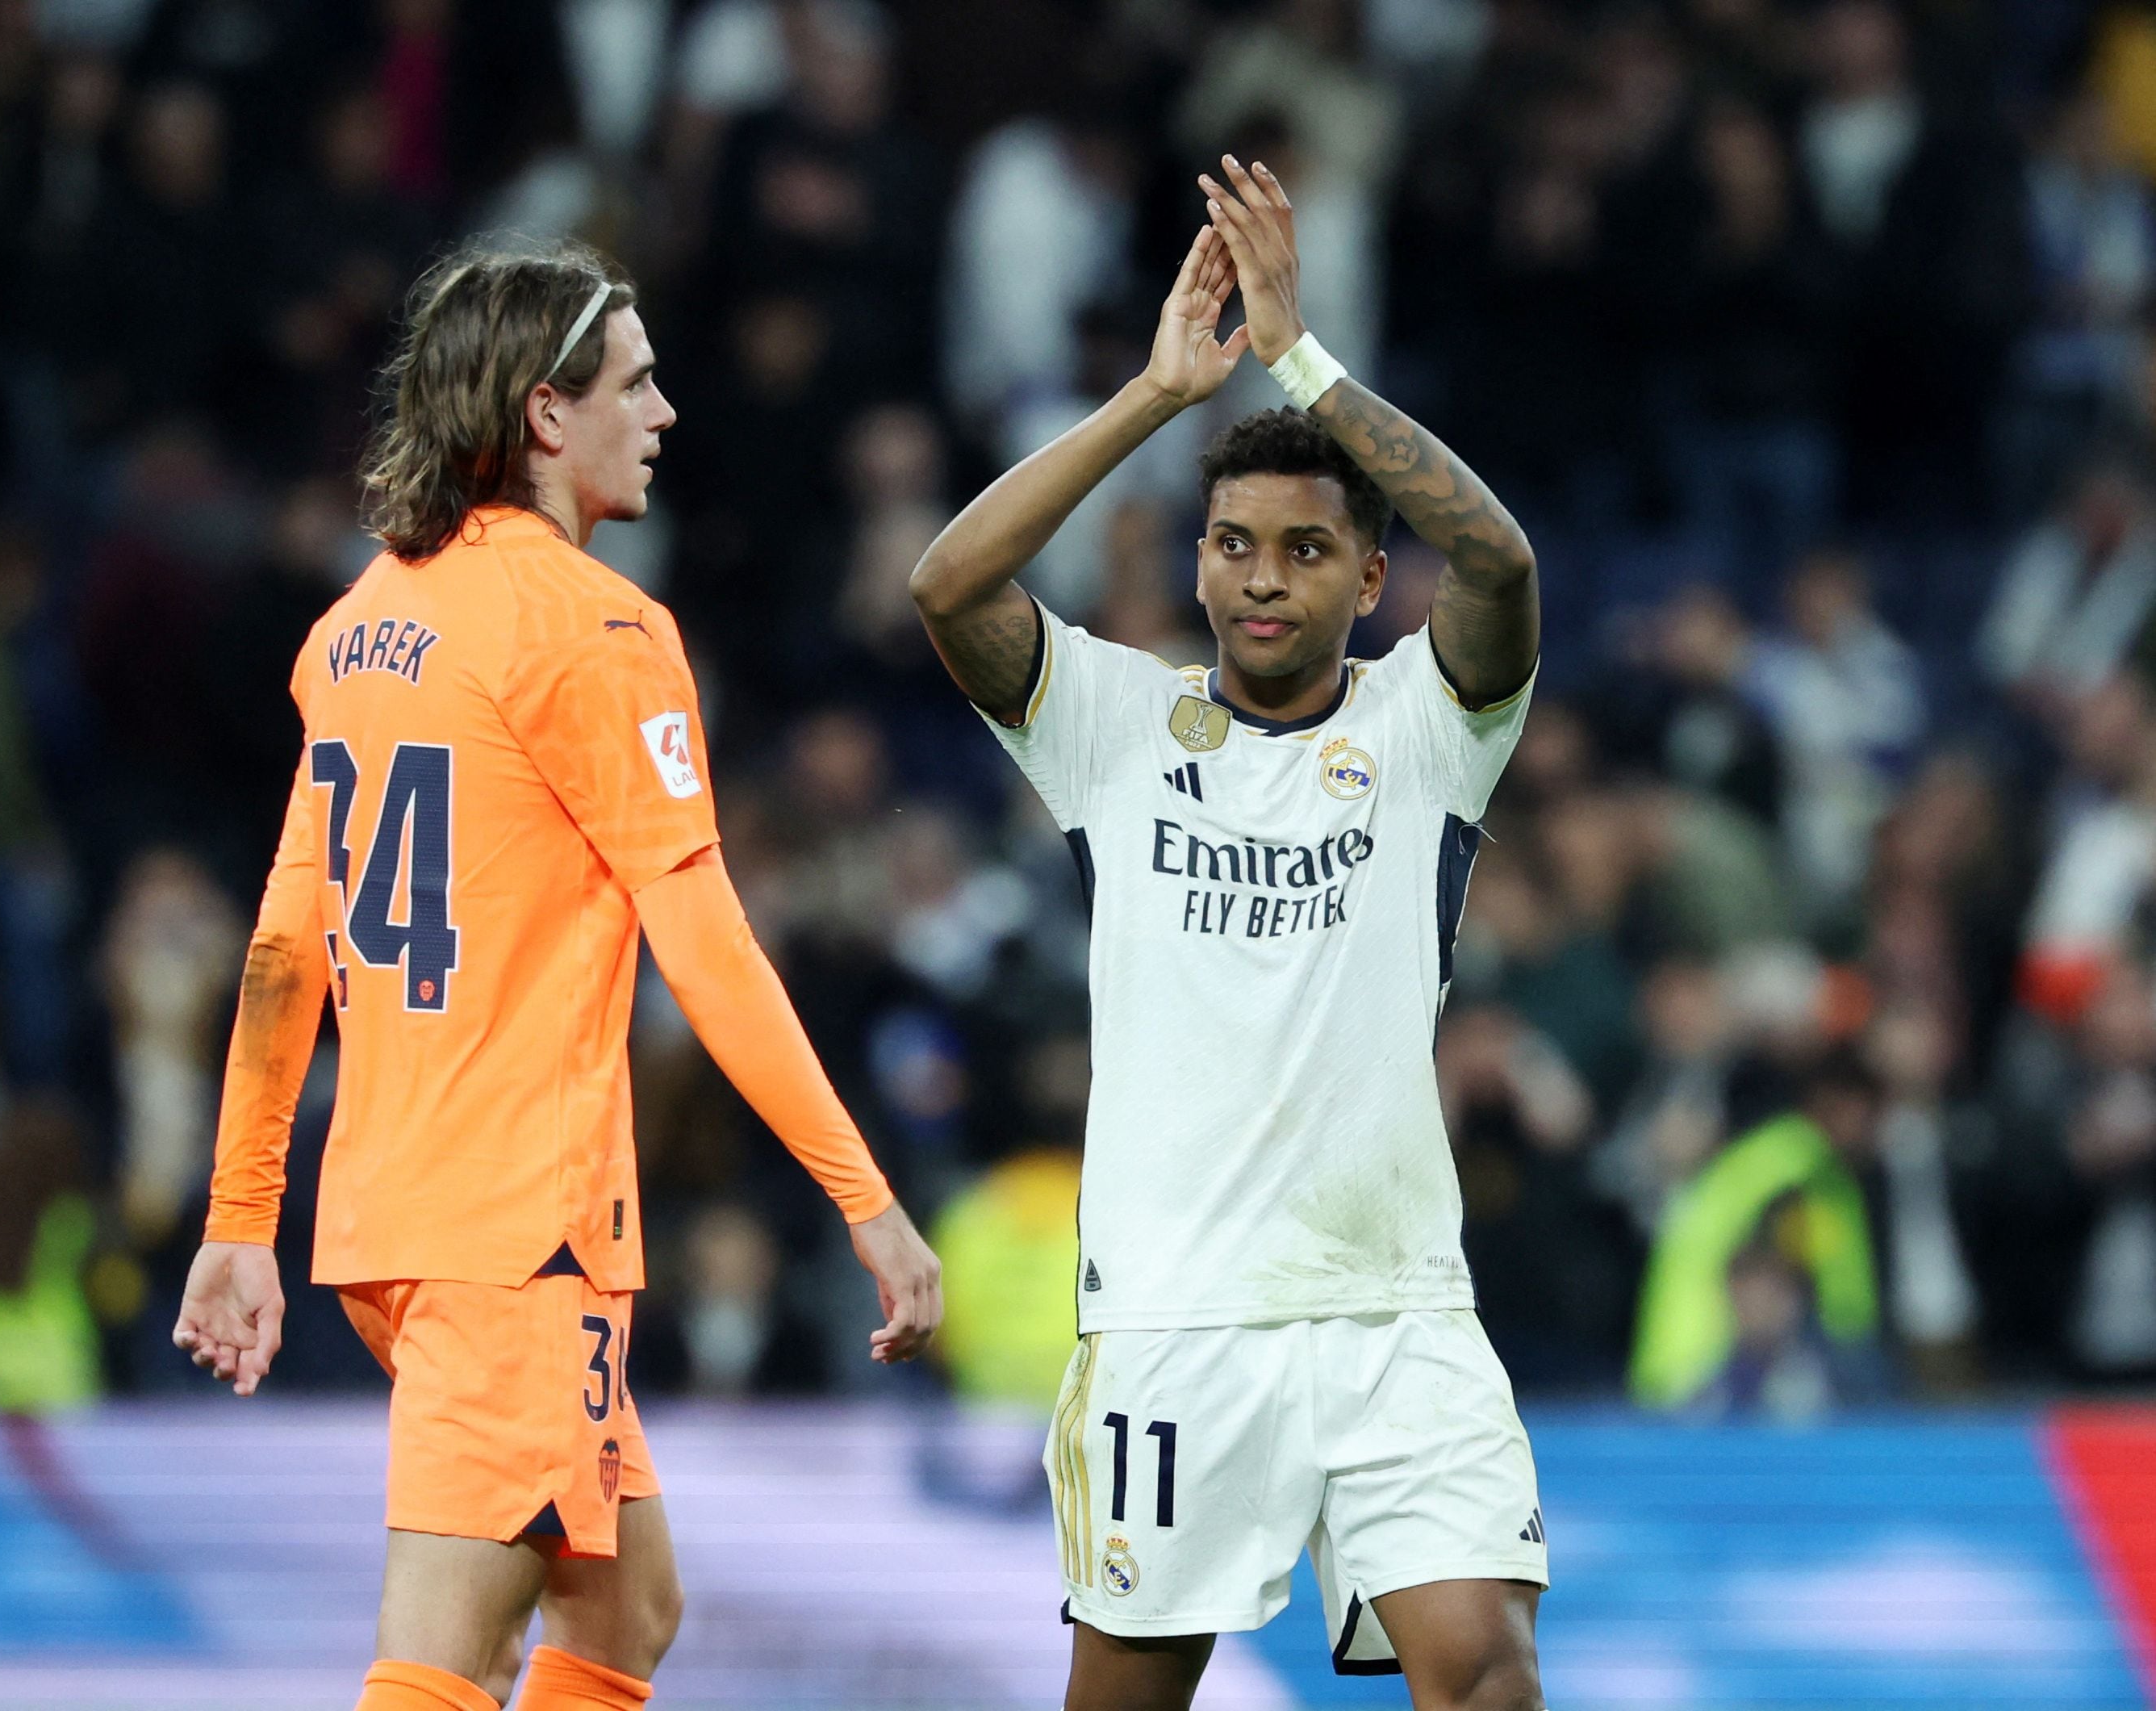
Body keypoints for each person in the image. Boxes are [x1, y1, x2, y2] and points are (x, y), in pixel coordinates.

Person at [171, 241, 941, 1711]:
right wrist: (868, 1200)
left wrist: (243, 1212)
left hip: (398, 1218)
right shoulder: (603, 630)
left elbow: (286, 944)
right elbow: (703, 939)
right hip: (521, 1229)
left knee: (622, 1610)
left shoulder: (359, 627)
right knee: (446, 1660)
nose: (663, 413)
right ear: (543, 414)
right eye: (636, 384)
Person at [912, 158, 1548, 1710]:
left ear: (1367, 578)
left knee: (1487, 1679)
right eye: (1235, 544)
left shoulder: (1426, 728)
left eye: (1308, 548)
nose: (1263, 577)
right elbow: (948, 582)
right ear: (1196, 558)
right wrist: (1152, 397)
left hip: (1396, 1307)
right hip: (1176, 1319)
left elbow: (1506, 564)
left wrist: (1301, 361)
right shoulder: (1115, 726)